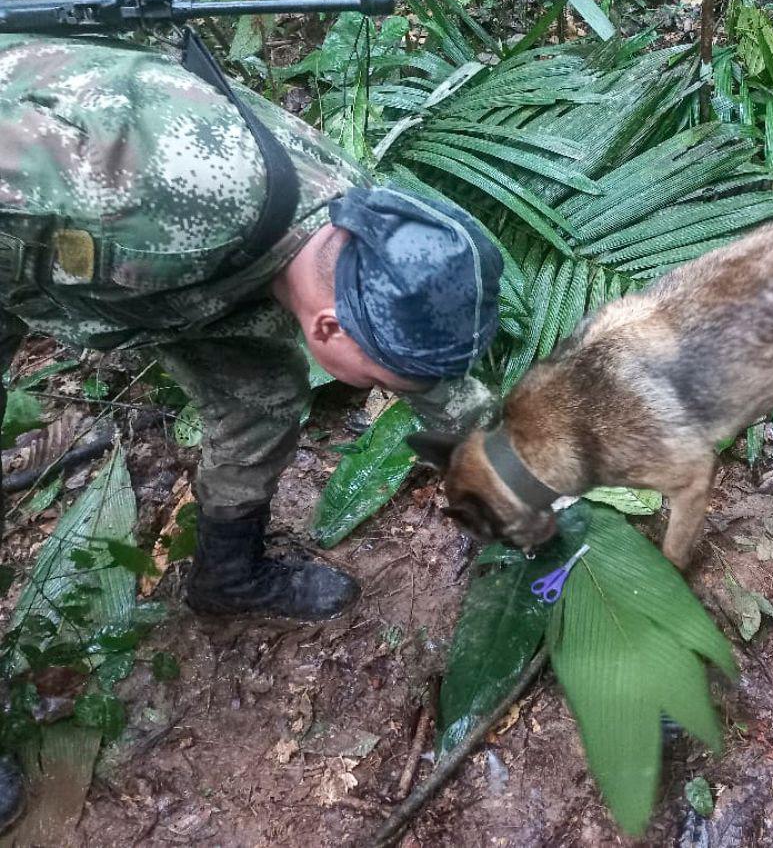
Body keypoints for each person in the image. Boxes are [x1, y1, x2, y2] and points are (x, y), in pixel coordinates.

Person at [0, 32, 504, 623]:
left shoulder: (363, 231)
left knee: (259, 400)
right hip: (36, 208)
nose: (379, 390)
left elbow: (424, 369)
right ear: (328, 326)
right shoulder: (141, 203)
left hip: (174, 272)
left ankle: (227, 578)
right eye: (379, 383)